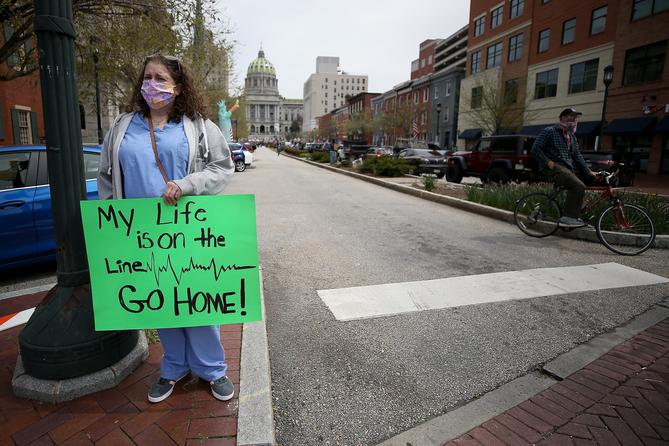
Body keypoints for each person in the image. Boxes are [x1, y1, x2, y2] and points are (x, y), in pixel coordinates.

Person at [97, 54, 236, 404]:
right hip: (140, 236)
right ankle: (173, 367)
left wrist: (188, 183)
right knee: (162, 303)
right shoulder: (122, 126)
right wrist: (113, 225)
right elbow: (106, 178)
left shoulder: (199, 126)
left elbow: (222, 168)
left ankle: (212, 369)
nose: (152, 84)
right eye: (147, 77)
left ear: (177, 86)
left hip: (186, 232)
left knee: (197, 301)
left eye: (160, 78)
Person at [532, 107, 597, 227]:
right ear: (562, 118)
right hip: (554, 167)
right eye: (570, 116)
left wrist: (588, 172)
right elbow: (535, 148)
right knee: (578, 186)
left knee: (564, 193)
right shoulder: (550, 131)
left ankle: (539, 213)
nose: (573, 119)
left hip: (566, 169)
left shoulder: (572, 137)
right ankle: (568, 218)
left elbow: (577, 156)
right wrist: (547, 162)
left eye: (575, 117)